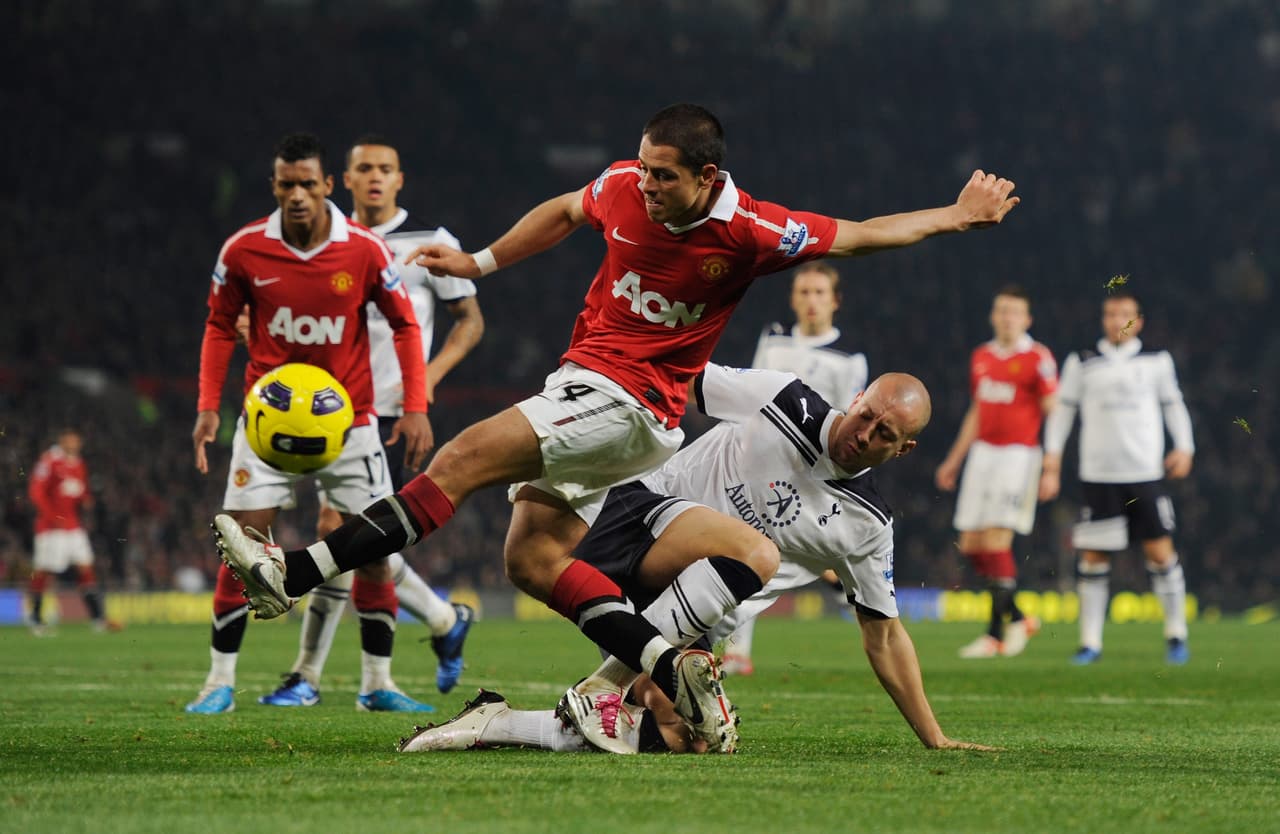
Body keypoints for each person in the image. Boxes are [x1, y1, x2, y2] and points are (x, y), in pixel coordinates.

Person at [214, 103, 1019, 751]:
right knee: (529, 558)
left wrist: (954, 215)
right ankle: (668, 666)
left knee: (460, 458)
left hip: (627, 399)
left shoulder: (751, 230)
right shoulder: (624, 185)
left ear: (708, 177)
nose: (647, 184)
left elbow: (862, 234)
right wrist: (481, 263)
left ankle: (294, 572)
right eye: (644, 167)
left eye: (665, 175)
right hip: (593, 391)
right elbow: (567, 210)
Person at [400, 365, 994, 755]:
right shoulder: (786, 400)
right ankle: (604, 682)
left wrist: (934, 738)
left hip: (691, 613)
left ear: (903, 449)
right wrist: (589, 421)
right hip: (637, 514)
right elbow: (678, 377)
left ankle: (498, 725)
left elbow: (884, 635)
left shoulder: (868, 524)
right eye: (867, 414)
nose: (865, 433)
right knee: (756, 549)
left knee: (685, 737)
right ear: (858, 397)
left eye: (884, 433)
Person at [186, 132, 434, 714]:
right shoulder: (244, 250)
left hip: (350, 423)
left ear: (328, 186)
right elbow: (221, 326)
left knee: (373, 547)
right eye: (285, 184)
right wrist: (206, 406)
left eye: (307, 184)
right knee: (241, 541)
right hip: (267, 420)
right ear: (274, 186)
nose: (296, 195)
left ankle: (378, 684)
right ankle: (218, 682)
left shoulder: (366, 249)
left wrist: (417, 405)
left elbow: (404, 324)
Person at [258, 135, 484, 708]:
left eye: (386, 168)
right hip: (335, 408)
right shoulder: (331, 243)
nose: (376, 177)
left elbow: (470, 321)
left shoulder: (431, 243)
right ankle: (436, 623)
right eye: (365, 169)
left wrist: (426, 382)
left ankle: (316, 675)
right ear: (346, 180)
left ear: (400, 179)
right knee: (350, 537)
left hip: (395, 412)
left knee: (343, 533)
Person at [722, 260, 868, 675]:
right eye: (804, 292)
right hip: (759, 462)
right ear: (793, 298)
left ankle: (843, 585)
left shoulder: (848, 359)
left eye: (820, 293)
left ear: (835, 301)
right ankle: (737, 651)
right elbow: (750, 391)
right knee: (747, 548)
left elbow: (846, 422)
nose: (811, 301)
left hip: (809, 472)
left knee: (788, 555)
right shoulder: (773, 341)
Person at [1041, 289, 1195, 665]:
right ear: (1103, 319)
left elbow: (1173, 404)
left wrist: (1185, 446)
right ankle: (1090, 642)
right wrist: (1052, 460)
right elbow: (1062, 413)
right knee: (1094, 558)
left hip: (1144, 472)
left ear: (1138, 320)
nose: (1117, 321)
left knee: (1160, 554)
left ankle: (1176, 634)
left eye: (1125, 314)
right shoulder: (1083, 361)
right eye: (1110, 314)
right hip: (1098, 476)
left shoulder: (1156, 361)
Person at [934, 285, 1058, 658]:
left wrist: (1051, 463)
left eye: (1014, 312)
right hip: (982, 455)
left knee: (997, 541)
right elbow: (977, 412)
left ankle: (995, 633)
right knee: (970, 543)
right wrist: (954, 459)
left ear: (1027, 319)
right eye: (1002, 310)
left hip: (1018, 456)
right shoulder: (982, 357)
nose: (1007, 318)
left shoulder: (1039, 358)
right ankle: (1019, 617)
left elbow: (1055, 410)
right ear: (993, 315)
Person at [26, 428, 120, 635]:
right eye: (70, 440)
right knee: (46, 571)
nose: (74, 444)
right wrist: (52, 517)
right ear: (62, 441)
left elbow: (79, 490)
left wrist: (85, 499)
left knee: (86, 568)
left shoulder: (78, 464)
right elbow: (36, 492)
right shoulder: (49, 461)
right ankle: (35, 619)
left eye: (77, 441)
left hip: (73, 526)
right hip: (51, 528)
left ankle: (98, 619)